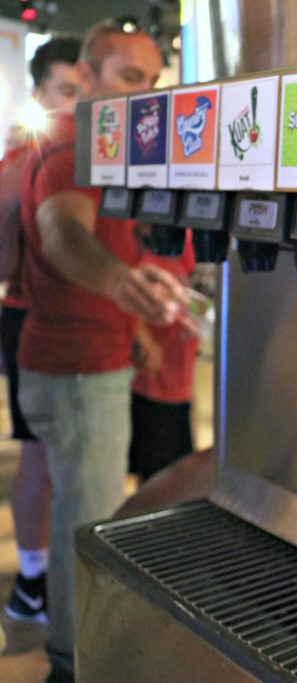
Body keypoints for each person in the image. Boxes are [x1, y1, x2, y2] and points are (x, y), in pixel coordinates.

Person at [16, 22, 184, 683]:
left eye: (151, 81)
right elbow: (62, 230)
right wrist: (117, 280)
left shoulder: (101, 143)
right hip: (78, 366)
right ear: (85, 79)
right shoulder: (72, 149)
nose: (144, 94)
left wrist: (131, 315)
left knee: (81, 511)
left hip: (84, 354)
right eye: (128, 79)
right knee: (85, 524)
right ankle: (72, 660)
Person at [1, 35, 82, 626]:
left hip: (97, 324)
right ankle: (34, 582)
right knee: (41, 458)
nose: (80, 103)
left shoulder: (98, 150)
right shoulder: (23, 160)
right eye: (68, 91)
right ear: (41, 94)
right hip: (35, 318)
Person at [130, 230, 199, 481]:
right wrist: (144, 340)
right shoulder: (132, 248)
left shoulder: (185, 240)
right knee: (157, 467)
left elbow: (185, 287)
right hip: (151, 375)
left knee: (179, 462)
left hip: (179, 366)